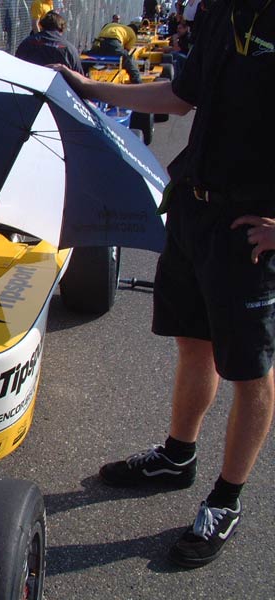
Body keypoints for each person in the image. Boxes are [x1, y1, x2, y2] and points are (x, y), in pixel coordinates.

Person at [50, 0, 275, 569]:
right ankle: (178, 456)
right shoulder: (223, 11)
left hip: (251, 227)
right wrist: (93, 89)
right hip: (196, 209)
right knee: (194, 344)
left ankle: (227, 498)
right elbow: (181, 95)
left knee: (251, 371)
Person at [16, 11, 83, 74]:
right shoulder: (69, 49)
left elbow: (15, 67)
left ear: (42, 26)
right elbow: (79, 77)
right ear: (62, 29)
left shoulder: (27, 43)